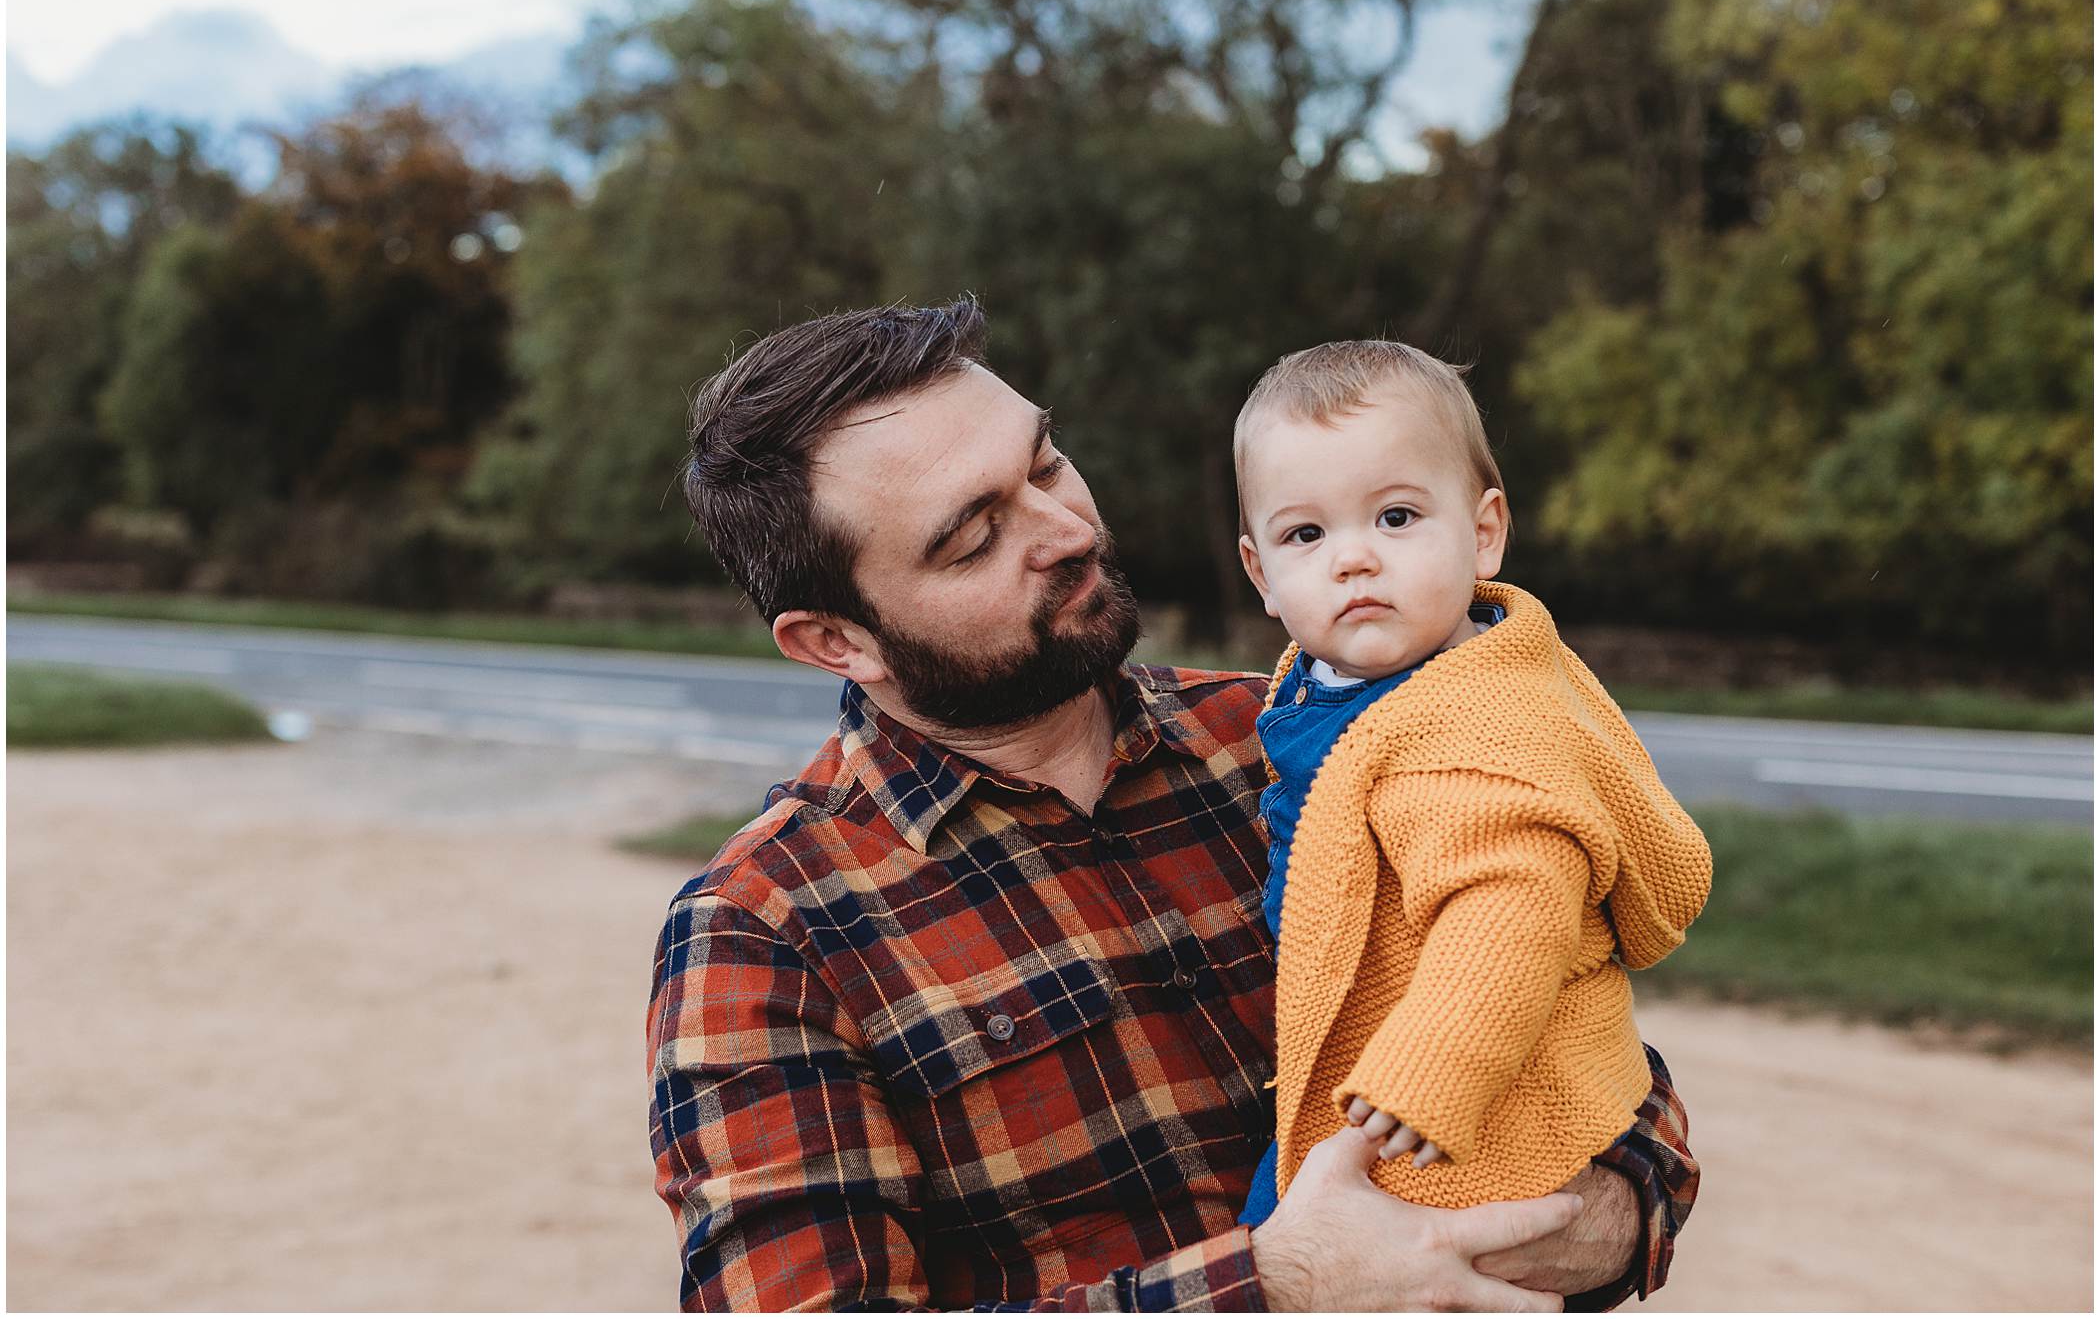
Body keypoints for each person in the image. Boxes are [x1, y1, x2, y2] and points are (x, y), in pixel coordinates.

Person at [646, 298, 1699, 1312]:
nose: (1064, 527)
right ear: (840, 641)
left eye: (1046, 462)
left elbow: (1607, 1083)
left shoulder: (1308, 741)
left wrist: (1556, 1223)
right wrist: (1276, 1292)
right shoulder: (764, 934)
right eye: (975, 536)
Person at [1226, 340, 1711, 1232]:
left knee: (1316, 1243)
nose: (1354, 559)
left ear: (1483, 531)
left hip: (1451, 1111)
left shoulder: (1473, 726)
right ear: (1263, 573)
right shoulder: (1322, 687)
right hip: (1370, 1071)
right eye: (1307, 534)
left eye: (1397, 517)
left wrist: (1435, 1066)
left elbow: (1515, 904)